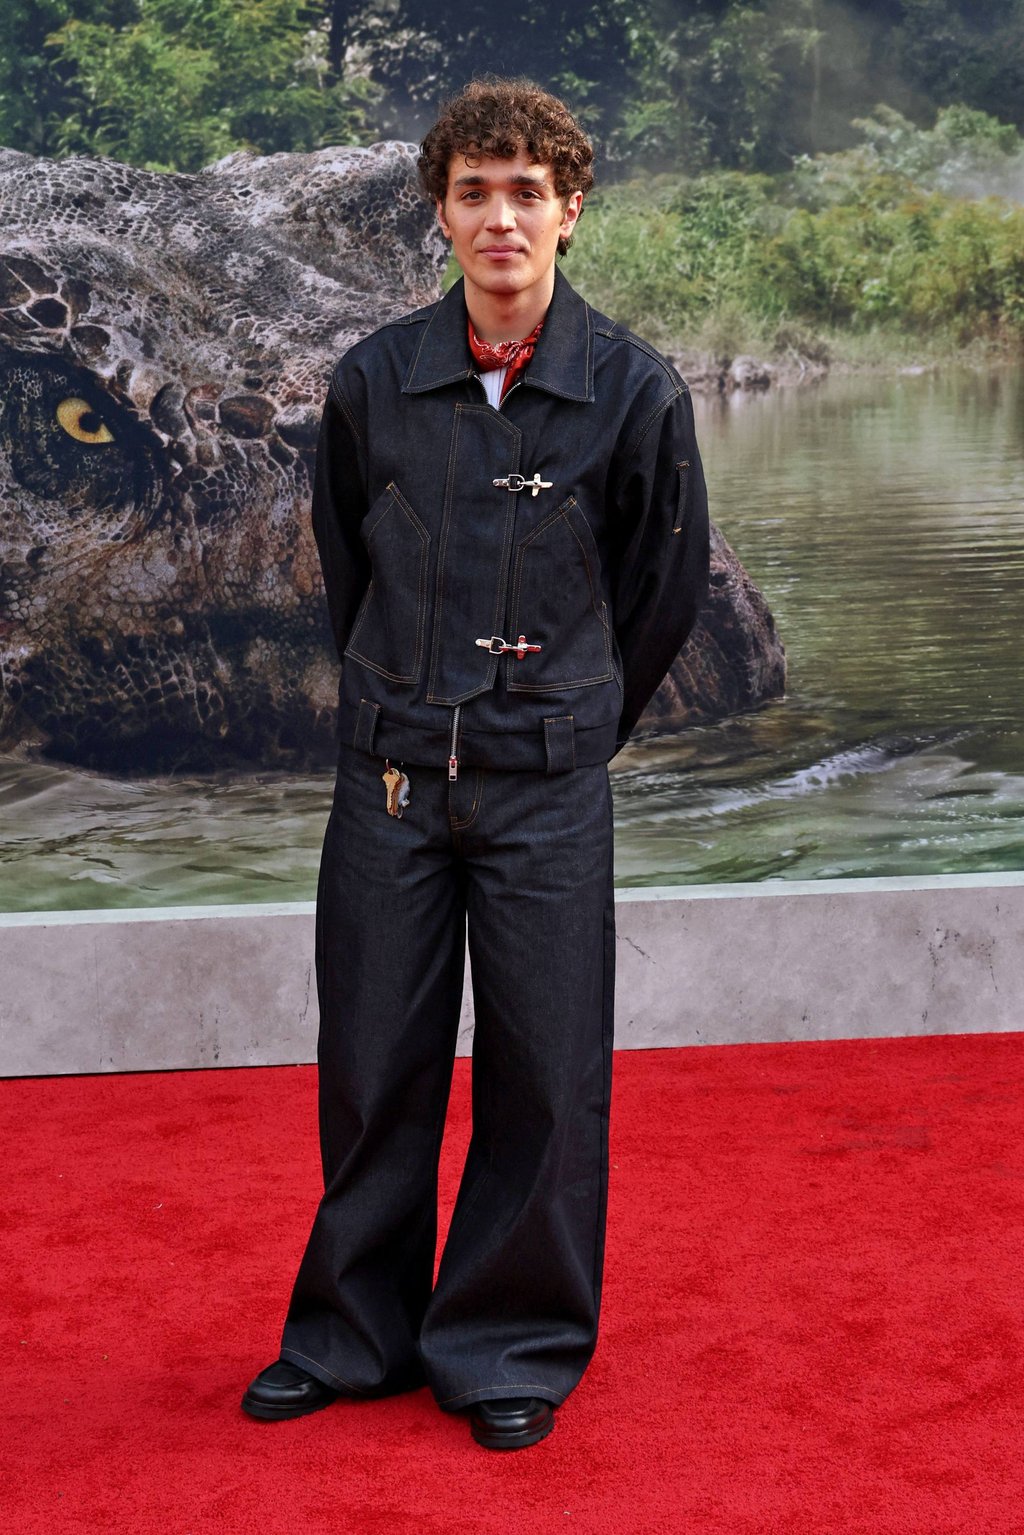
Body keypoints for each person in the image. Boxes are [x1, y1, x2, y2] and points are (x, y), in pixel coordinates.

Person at [241, 76, 709, 1451]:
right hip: (388, 775)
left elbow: (659, 594)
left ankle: (508, 1344)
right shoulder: (374, 380)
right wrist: (412, 694)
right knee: (373, 1065)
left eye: (526, 191)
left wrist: (557, 722)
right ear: (441, 215)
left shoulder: (635, 390)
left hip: (548, 785)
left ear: (570, 213)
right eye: (473, 191)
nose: (500, 216)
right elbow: (348, 567)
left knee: (543, 1074)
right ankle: (351, 1336)